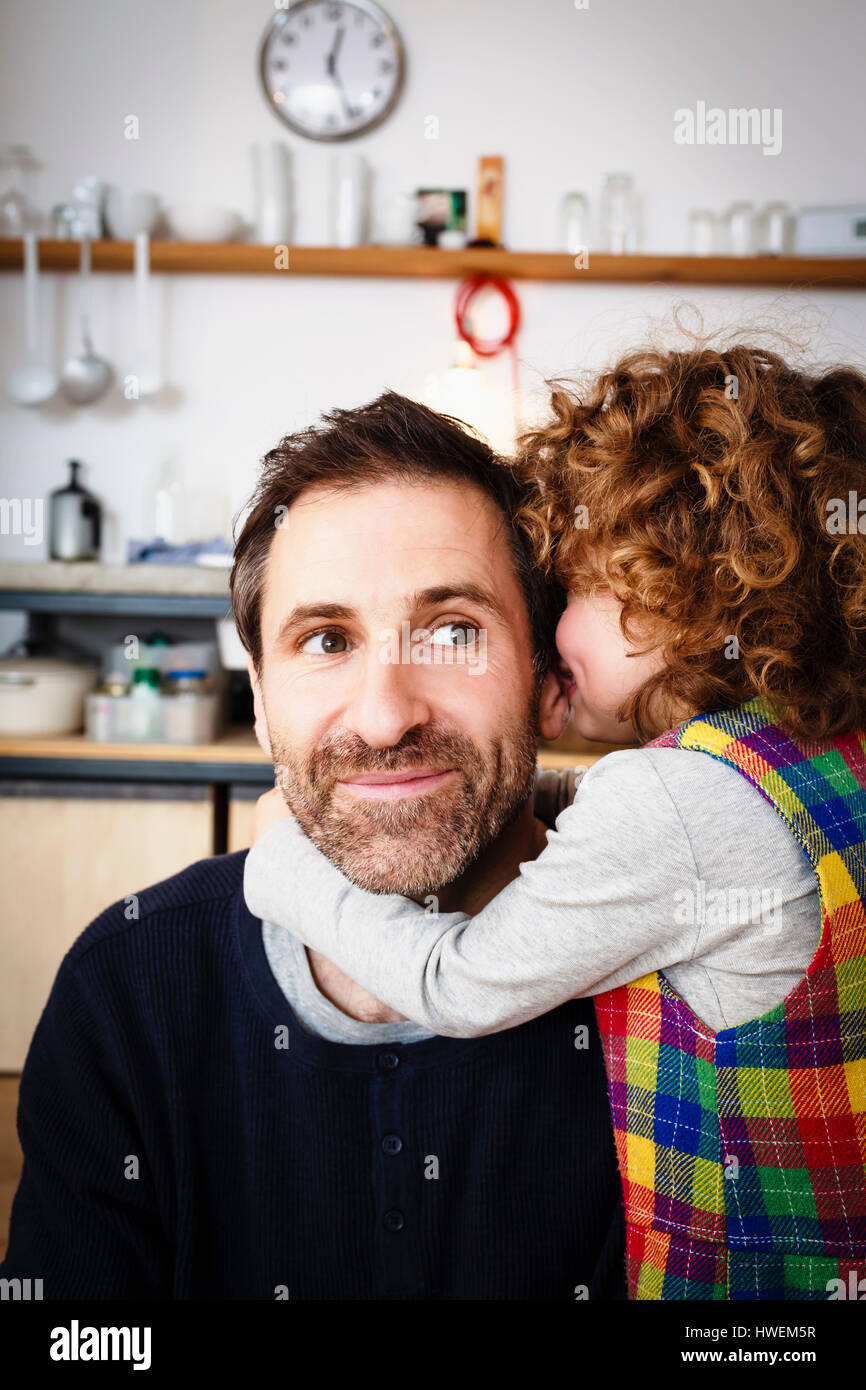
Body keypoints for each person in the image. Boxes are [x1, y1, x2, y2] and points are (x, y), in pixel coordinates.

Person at [244, 345, 866, 1301]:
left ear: (687, 595)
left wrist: (277, 861)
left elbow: (458, 985)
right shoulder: (818, 759)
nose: (556, 621)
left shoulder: (674, 807)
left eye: (579, 589)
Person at [0, 391, 626, 1300]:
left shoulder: (677, 982)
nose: (383, 717)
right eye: (326, 639)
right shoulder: (127, 990)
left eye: (453, 631)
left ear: (547, 680)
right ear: (257, 697)